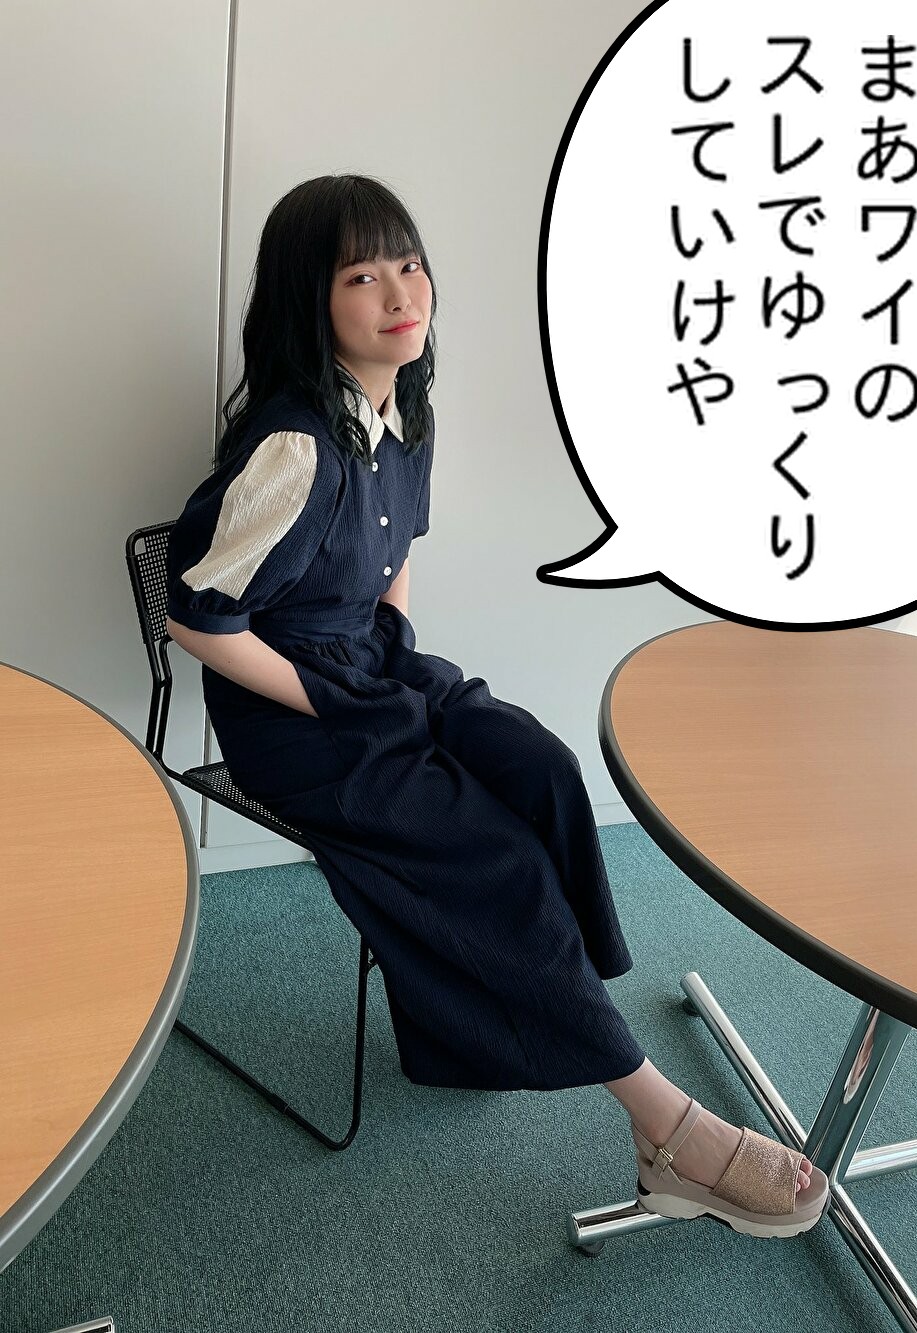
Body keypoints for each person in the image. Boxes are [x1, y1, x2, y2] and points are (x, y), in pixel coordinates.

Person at [164, 173, 829, 1238]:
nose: (400, 294)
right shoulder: (294, 447)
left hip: (371, 667)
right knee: (495, 860)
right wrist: (331, 701)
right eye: (362, 276)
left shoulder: (405, 411)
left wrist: (391, 648)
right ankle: (668, 1129)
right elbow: (195, 618)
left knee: (541, 770)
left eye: (409, 264)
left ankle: (546, 1007)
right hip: (293, 712)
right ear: (309, 299)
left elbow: (394, 554)